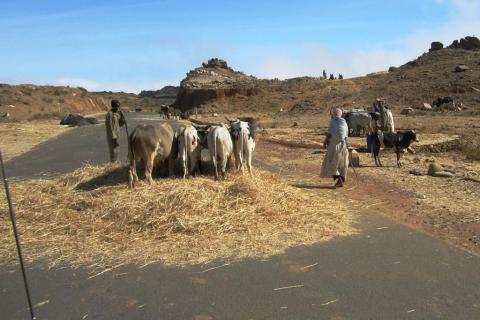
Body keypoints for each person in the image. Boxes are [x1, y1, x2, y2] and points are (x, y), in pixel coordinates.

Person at [320, 108, 349, 187]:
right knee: (342, 164)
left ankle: (339, 180)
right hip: (343, 146)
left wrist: (325, 142)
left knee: (332, 163)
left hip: (334, 145)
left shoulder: (333, 122)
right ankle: (341, 180)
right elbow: (346, 136)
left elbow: (329, 134)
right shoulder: (344, 122)